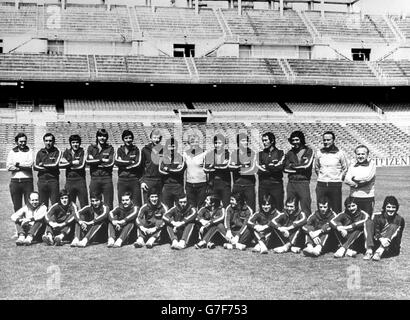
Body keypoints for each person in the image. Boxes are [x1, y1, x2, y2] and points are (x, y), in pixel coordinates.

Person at [314, 131, 349, 214]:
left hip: (335, 185)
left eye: (328, 140)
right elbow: (316, 167)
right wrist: (322, 177)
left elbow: (345, 168)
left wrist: (339, 178)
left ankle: (335, 226)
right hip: (321, 185)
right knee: (321, 208)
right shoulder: (319, 152)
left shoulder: (340, 153)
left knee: (336, 208)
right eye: (324, 140)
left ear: (333, 140)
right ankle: (321, 225)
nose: (326, 142)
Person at [363, 196, 405, 261]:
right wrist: (381, 239)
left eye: (393, 207)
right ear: (384, 207)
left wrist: (385, 240)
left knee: (393, 226)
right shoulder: (377, 216)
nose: (391, 209)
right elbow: (375, 231)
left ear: (396, 208)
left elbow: (397, 236)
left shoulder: (399, 219)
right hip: (377, 241)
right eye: (388, 207)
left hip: (390, 245)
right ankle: (369, 250)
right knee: (368, 222)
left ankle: (379, 252)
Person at [284, 130, 314, 216]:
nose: (295, 142)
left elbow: (306, 165)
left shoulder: (309, 151)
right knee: (291, 207)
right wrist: (299, 168)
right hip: (291, 183)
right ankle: (292, 226)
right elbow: (285, 169)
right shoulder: (290, 153)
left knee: (305, 207)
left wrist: (292, 166)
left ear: (301, 139)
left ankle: (306, 227)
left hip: (303, 182)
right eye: (293, 140)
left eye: (297, 139)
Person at [86, 129, 115, 210]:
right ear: (97, 137)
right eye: (100, 136)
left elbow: (110, 163)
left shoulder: (110, 148)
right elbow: (88, 161)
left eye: (104, 136)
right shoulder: (91, 148)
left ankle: (108, 222)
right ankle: (95, 221)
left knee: (108, 203)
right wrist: (102, 160)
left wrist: (95, 161)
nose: (102, 138)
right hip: (94, 178)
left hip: (107, 178)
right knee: (94, 202)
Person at [344, 145, 376, 216]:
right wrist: (357, 184)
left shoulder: (372, 164)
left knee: (367, 220)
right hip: (353, 197)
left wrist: (354, 179)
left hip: (367, 197)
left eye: (363, 154)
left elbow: (368, 178)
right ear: (355, 155)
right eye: (358, 154)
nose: (360, 156)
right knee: (352, 219)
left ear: (367, 155)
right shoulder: (352, 165)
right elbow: (346, 179)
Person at [256, 132, 285, 211]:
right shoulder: (260, 154)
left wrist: (266, 166)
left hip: (276, 185)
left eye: (266, 140)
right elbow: (259, 170)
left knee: (278, 208)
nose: (264, 143)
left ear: (272, 141)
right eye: (263, 141)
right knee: (263, 208)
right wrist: (272, 166)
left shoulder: (280, 153)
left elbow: (280, 168)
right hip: (263, 185)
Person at [7, 132, 34, 213]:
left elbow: (29, 165)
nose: (23, 143)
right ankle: (18, 225)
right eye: (21, 141)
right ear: (16, 142)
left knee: (29, 205)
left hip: (27, 181)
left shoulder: (30, 151)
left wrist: (17, 164)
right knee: (17, 206)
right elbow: (9, 166)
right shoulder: (12, 152)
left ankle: (29, 224)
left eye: (24, 141)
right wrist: (22, 166)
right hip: (15, 182)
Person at [229, 133, 257, 212]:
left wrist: (237, 166)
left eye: (247, 141)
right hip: (237, 184)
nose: (246, 142)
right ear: (238, 142)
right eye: (243, 141)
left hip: (249, 185)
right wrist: (243, 165)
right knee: (235, 207)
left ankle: (250, 223)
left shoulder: (252, 153)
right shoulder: (234, 153)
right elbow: (230, 167)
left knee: (250, 207)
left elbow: (253, 169)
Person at [115, 130, 142, 207]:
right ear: (123, 139)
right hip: (122, 179)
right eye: (126, 138)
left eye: (130, 138)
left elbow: (138, 163)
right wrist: (130, 162)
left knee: (137, 203)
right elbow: (116, 162)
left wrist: (122, 163)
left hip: (133, 179)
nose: (128, 140)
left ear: (132, 139)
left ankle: (136, 219)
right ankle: (123, 218)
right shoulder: (119, 150)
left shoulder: (136, 150)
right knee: (122, 203)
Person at [59, 134, 88, 208]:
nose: (75, 144)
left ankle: (85, 219)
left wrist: (67, 163)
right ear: (70, 143)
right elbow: (59, 165)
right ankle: (71, 219)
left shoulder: (82, 151)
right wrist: (72, 163)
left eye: (77, 142)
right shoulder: (66, 152)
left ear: (80, 143)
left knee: (84, 203)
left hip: (80, 180)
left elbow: (81, 166)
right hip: (69, 181)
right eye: (73, 142)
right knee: (69, 203)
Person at [34, 133, 62, 207]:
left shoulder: (57, 151)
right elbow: (35, 167)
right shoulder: (40, 152)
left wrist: (42, 164)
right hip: (42, 181)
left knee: (55, 204)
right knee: (42, 205)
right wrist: (49, 166)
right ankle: (43, 219)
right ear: (44, 141)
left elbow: (55, 165)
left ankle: (55, 219)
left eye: (50, 141)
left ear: (53, 142)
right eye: (46, 141)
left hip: (53, 181)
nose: (48, 143)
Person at [204, 134, 231, 208]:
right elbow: (205, 169)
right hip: (213, 184)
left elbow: (226, 166)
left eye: (219, 143)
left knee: (226, 206)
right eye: (215, 143)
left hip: (225, 184)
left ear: (224, 144)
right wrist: (220, 165)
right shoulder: (209, 154)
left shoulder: (227, 154)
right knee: (213, 206)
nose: (217, 145)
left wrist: (212, 166)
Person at [159, 137, 186, 209]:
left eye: (173, 146)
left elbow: (180, 171)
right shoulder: (163, 158)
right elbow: (161, 171)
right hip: (167, 186)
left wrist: (168, 169)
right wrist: (173, 170)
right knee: (166, 208)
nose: (171, 148)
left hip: (178, 186)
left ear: (176, 147)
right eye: (169, 146)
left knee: (180, 207)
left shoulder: (180, 157)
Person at [183, 133, 207, 209]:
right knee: (191, 206)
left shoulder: (204, 153)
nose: (194, 144)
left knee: (201, 206)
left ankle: (200, 220)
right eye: (192, 142)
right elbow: (184, 170)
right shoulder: (185, 154)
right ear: (189, 144)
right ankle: (192, 220)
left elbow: (208, 170)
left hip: (201, 184)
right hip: (189, 184)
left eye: (196, 142)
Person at [140, 129, 164, 203]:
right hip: (148, 180)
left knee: (160, 204)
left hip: (160, 181)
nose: (157, 140)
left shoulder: (164, 150)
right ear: (151, 138)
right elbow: (140, 167)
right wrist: (142, 182)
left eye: (158, 138)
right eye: (154, 138)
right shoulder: (145, 150)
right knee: (147, 204)